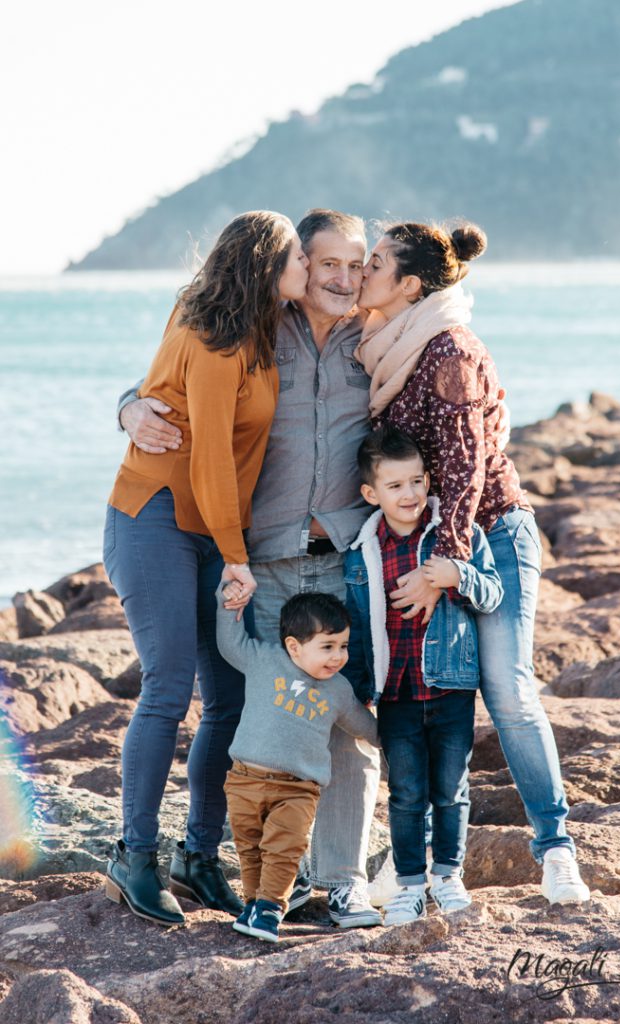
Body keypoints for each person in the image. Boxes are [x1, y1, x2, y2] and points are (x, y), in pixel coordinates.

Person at [117, 210, 384, 928]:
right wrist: (127, 406)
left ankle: (234, 863)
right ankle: (155, 856)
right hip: (207, 538)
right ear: (282, 269)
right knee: (196, 694)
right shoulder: (237, 328)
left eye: (353, 266)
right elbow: (184, 410)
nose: (335, 276)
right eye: (315, 261)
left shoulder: (349, 334)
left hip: (277, 547)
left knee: (277, 705)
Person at [354, 220, 591, 906]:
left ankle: (555, 852)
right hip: (424, 541)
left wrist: (445, 568)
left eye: (375, 264)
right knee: (407, 693)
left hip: (488, 536)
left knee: (507, 689)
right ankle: (405, 865)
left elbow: (464, 470)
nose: (363, 273)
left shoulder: (449, 348)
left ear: (410, 284)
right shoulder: (381, 345)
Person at [103, 211, 310, 927]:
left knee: (228, 695)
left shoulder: (261, 331)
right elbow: (212, 457)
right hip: (155, 521)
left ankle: (199, 855)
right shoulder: (214, 337)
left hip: (212, 531)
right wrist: (235, 557)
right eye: (300, 261)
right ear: (266, 265)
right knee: (166, 686)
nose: (310, 273)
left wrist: (126, 402)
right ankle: (134, 855)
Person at [344, 425, 503, 924]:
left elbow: (494, 592)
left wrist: (458, 575)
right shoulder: (360, 554)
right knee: (407, 793)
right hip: (396, 694)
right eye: (395, 486)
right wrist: (358, 690)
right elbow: (355, 627)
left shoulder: (456, 537)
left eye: (417, 481)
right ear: (372, 494)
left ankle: (447, 877)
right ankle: (410, 884)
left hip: (451, 685)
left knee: (452, 788)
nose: (409, 494)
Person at [216, 592, 379, 942]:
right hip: (244, 778)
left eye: (344, 646)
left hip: (297, 788)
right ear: (293, 646)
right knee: (250, 846)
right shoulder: (263, 659)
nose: (339, 656)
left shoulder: (337, 689)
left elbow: (364, 727)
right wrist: (227, 600)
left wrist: (401, 739)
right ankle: (253, 904)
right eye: (328, 646)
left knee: (284, 847)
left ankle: (272, 908)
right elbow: (230, 643)